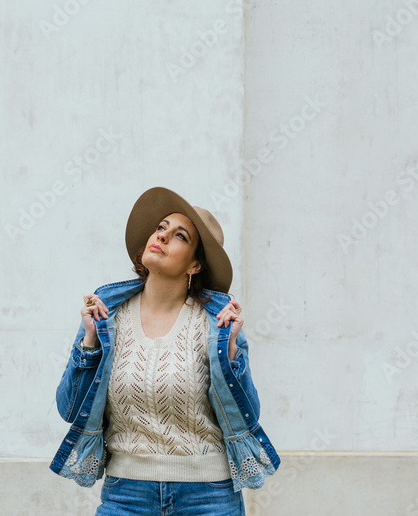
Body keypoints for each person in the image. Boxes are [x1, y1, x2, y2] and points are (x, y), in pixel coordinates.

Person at [50, 186, 280, 515]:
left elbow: (248, 416)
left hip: (210, 497)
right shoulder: (106, 317)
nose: (162, 236)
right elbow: (69, 409)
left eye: (180, 236)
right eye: (161, 228)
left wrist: (231, 357)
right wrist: (88, 344)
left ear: (195, 265)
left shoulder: (218, 325)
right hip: (126, 495)